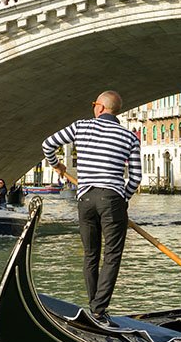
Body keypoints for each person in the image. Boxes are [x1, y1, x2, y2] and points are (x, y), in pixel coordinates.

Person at [41, 90, 142, 326]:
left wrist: (57, 165)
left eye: (94, 104)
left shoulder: (81, 126)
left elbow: (47, 145)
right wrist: (122, 199)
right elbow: (136, 177)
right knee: (112, 256)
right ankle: (98, 310)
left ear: (100, 107)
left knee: (90, 254)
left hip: (85, 199)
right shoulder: (129, 137)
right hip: (112, 199)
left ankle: (94, 306)